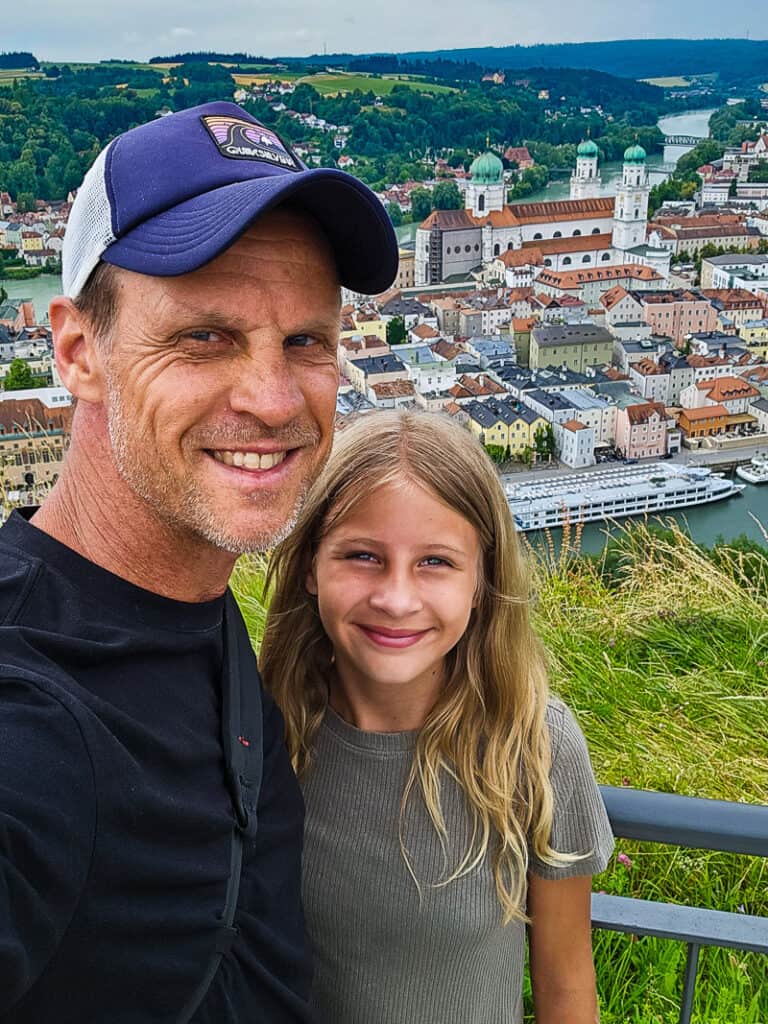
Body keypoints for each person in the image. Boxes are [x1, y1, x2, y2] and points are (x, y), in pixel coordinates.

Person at [0, 101, 397, 1022]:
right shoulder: (30, 721)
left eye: (306, 341)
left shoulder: (188, 598)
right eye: (203, 337)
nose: (270, 399)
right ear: (76, 350)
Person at [261, 409, 615, 1024]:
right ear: (311, 567)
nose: (397, 599)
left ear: (482, 582)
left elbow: (565, 985)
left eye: (436, 562)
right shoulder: (265, 729)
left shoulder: (532, 745)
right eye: (363, 555)